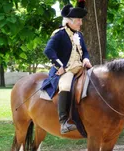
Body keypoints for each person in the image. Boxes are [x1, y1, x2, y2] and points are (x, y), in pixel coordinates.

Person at [44, 0, 92, 134]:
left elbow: (85, 51)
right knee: (65, 85)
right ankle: (63, 122)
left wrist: (86, 59)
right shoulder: (59, 34)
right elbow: (48, 50)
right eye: (78, 21)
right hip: (67, 69)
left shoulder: (79, 35)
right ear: (69, 21)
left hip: (81, 67)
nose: (81, 23)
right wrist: (59, 65)